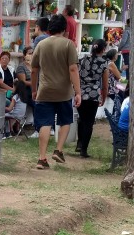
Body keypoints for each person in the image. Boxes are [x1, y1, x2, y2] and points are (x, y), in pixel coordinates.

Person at [31, 14, 81, 169]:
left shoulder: (41, 44)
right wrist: (78, 91)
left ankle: (42, 159)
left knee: (45, 123)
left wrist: (34, 89)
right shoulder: (68, 45)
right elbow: (73, 69)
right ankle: (58, 150)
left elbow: (34, 70)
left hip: (45, 90)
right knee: (65, 120)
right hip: (64, 91)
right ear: (64, 29)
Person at [75, 38, 108, 159]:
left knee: (81, 119)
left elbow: (76, 75)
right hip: (94, 95)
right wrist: (103, 97)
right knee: (89, 122)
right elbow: (105, 85)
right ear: (103, 49)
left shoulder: (82, 60)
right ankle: (84, 149)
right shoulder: (104, 63)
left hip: (81, 93)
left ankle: (79, 143)